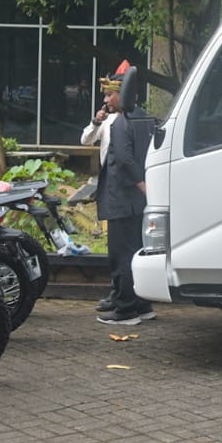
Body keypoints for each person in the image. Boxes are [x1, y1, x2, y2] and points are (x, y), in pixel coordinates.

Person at [95, 68, 154, 326]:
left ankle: (125, 310)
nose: (106, 101)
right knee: (138, 251)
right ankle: (143, 305)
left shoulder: (120, 123)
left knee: (121, 256)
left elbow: (124, 158)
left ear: (123, 94)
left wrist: (140, 183)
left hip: (121, 198)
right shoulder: (147, 119)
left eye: (109, 95)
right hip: (139, 202)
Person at [82, 77, 121, 312]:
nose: (105, 100)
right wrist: (96, 122)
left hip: (129, 188)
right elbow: (85, 140)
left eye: (109, 95)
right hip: (111, 186)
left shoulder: (132, 120)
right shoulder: (105, 120)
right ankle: (118, 291)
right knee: (115, 245)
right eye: (104, 95)